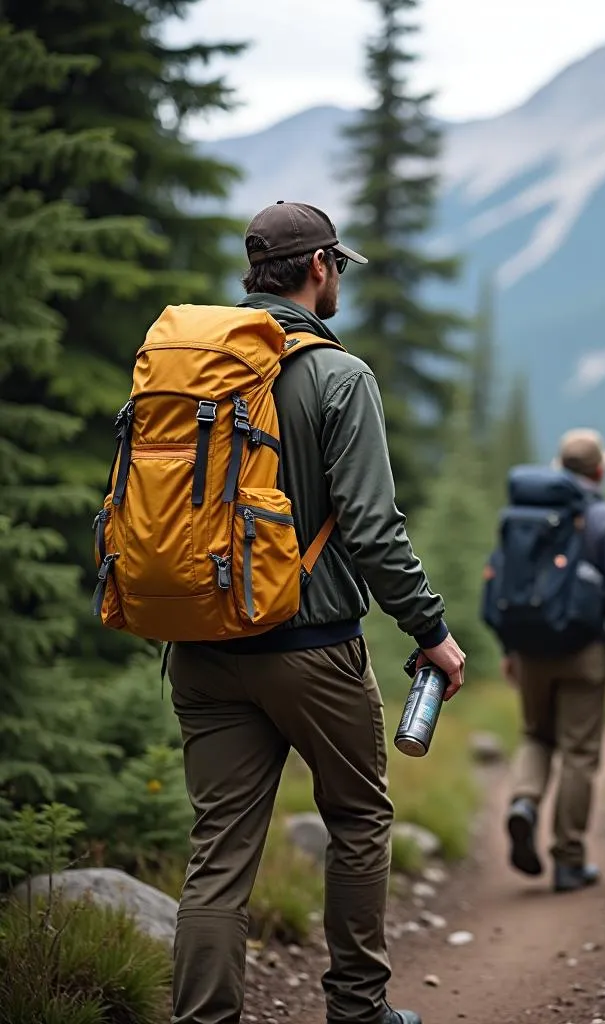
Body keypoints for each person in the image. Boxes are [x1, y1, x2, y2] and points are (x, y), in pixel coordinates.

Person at [166, 201, 465, 1024]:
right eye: (338, 266)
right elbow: (373, 529)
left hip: (201, 644)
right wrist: (432, 632)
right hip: (313, 649)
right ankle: (358, 1010)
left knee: (219, 854)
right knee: (360, 818)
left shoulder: (200, 365)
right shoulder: (340, 376)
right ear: (321, 267)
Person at [503, 428, 605, 893]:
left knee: (536, 734)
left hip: (530, 648)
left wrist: (510, 649)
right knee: (579, 752)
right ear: (598, 471)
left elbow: (511, 585)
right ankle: (568, 861)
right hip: (585, 651)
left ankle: (524, 803)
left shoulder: (524, 514)